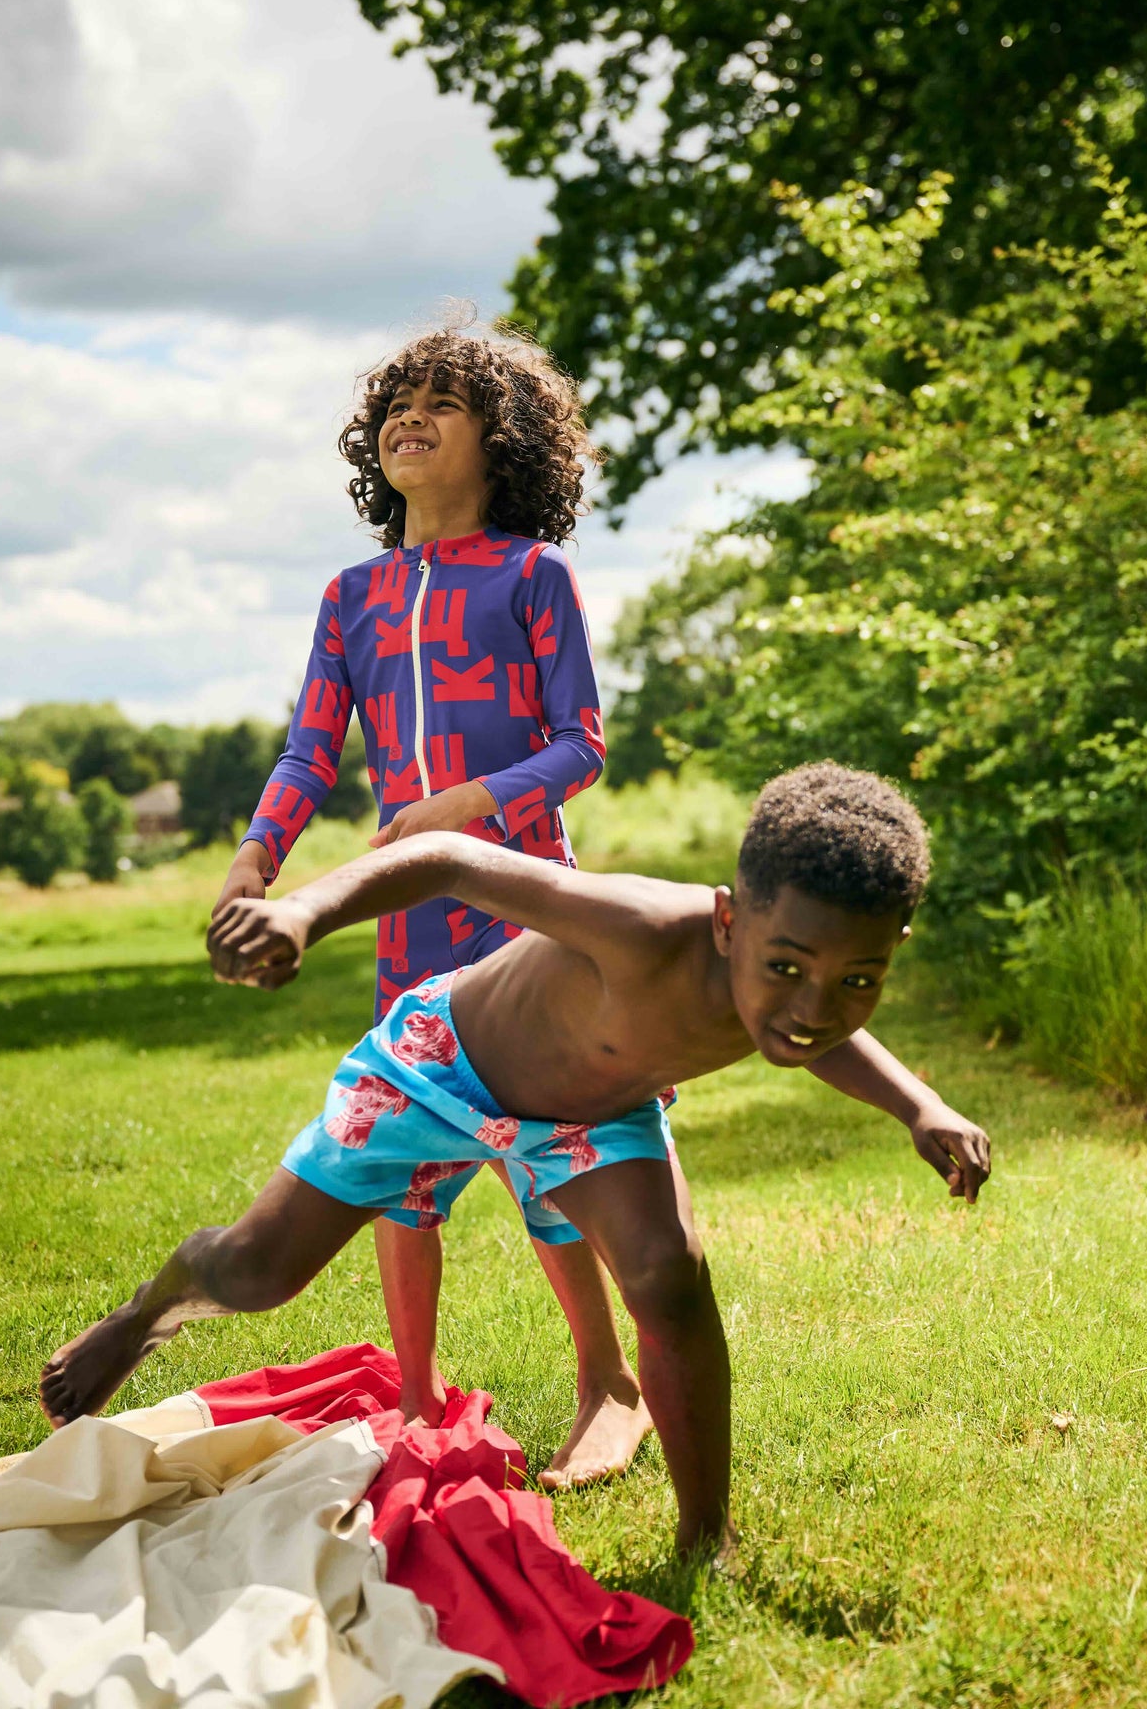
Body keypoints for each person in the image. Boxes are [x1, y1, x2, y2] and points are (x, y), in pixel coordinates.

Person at [41, 763, 992, 1557]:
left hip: (590, 1116)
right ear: (727, 922)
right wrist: (300, 913)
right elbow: (448, 856)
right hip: (437, 1071)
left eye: (857, 979)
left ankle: (708, 1534)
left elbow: (812, 1034)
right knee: (255, 1273)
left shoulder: (797, 997)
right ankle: (145, 1314)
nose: (815, 1004)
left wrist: (920, 1104)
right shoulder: (639, 927)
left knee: (670, 1277)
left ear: (891, 950)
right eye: (786, 967)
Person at [210, 311, 652, 1488]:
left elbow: (580, 745)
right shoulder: (351, 593)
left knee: (545, 1140)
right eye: (398, 399)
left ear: (500, 441)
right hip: (408, 924)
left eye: (445, 400)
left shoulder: (531, 575)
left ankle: (611, 1384)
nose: (412, 413)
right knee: (400, 1146)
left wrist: (463, 806)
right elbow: (311, 751)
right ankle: (412, 1403)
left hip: (524, 908)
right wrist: (260, 851)